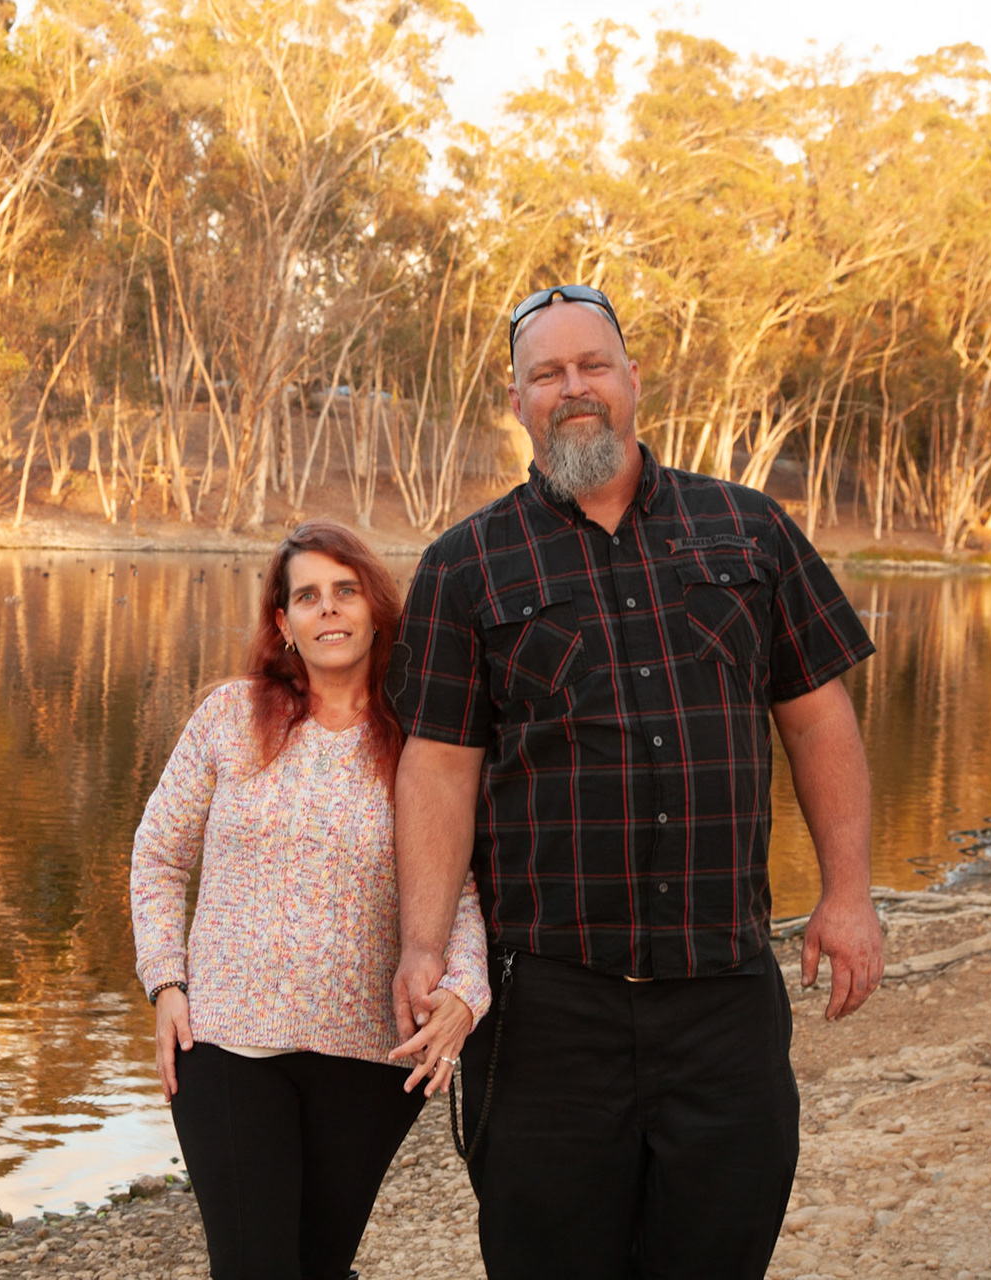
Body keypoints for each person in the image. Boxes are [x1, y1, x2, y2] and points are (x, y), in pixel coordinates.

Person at [388, 285, 884, 1280]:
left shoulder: (749, 529)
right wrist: (424, 944)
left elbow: (818, 716)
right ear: (518, 402)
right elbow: (438, 766)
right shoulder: (464, 566)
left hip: (723, 994)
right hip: (545, 1010)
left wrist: (849, 893)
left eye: (593, 365)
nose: (573, 387)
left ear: (633, 380)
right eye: (547, 373)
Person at [132, 518, 490, 1280]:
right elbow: (158, 855)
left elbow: (458, 886)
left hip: (369, 1054)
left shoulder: (422, 741)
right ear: (283, 623)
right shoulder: (229, 718)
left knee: (318, 1267)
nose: (328, 608)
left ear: (376, 610)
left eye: (345, 591)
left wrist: (465, 990)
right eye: (307, 596)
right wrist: (166, 982)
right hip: (226, 1044)